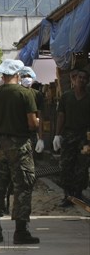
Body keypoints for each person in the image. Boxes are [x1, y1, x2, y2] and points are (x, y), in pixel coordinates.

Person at [0, 59, 40, 245]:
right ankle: (21, 231)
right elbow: (32, 123)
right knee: (22, 186)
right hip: (20, 145)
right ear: (18, 74)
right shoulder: (25, 94)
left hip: (0, 144)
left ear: (3, 74)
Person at [53, 68, 90, 207]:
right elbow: (61, 115)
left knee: (82, 166)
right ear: (74, 79)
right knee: (66, 166)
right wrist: (57, 134)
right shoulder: (67, 96)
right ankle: (67, 195)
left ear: (87, 81)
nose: (81, 80)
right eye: (79, 77)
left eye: (84, 78)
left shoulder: (88, 97)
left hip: (84, 137)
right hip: (69, 135)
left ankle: (78, 194)